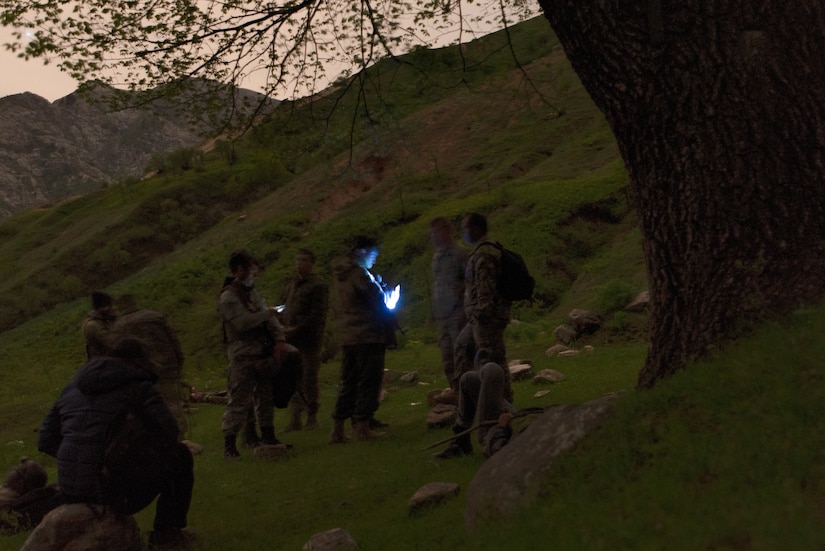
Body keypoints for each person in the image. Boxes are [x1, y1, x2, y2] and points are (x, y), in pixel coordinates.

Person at [37, 336, 194, 548]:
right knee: (180, 455)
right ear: (138, 360)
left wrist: (83, 459)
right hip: (113, 491)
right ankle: (167, 535)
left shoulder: (71, 389)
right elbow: (169, 432)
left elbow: (45, 440)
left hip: (69, 489)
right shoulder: (140, 388)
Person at [218, 250, 295, 458]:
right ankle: (230, 445)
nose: (255, 274)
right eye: (252, 269)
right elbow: (242, 323)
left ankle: (268, 435)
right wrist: (267, 313)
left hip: (262, 353)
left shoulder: (252, 293)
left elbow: (270, 321)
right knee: (239, 400)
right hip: (242, 355)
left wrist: (279, 339)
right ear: (240, 270)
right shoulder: (228, 297)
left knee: (265, 396)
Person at [329, 236, 396, 443]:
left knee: (348, 382)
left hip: (348, 337)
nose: (374, 259)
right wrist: (388, 294)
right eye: (373, 254)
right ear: (360, 252)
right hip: (367, 335)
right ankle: (362, 427)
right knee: (369, 381)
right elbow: (379, 302)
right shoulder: (361, 275)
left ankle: (337, 430)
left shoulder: (341, 276)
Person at [454, 212, 513, 402]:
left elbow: (485, 292)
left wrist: (478, 315)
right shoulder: (483, 251)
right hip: (480, 318)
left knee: (492, 360)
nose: (463, 232)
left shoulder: (484, 255)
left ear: (476, 229)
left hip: (487, 319)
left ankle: (503, 403)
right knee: (463, 347)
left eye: (465, 228)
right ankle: (471, 397)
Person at [111, 294, 189, 438]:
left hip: (140, 371)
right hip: (166, 365)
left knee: (149, 407)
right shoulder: (155, 316)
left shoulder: (119, 326)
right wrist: (178, 361)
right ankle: (179, 439)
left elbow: (118, 352)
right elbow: (173, 340)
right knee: (174, 404)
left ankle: (160, 440)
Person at [433, 349, 515, 459]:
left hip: (501, 434)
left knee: (492, 370)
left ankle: (485, 439)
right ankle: (461, 442)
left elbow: (500, 451)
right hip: (525, 417)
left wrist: (501, 427)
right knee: (468, 379)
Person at [280, 249, 329, 431]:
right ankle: (295, 418)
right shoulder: (290, 284)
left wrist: (298, 328)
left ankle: (312, 415)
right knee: (293, 378)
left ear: (311, 263)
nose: (300, 263)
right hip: (290, 339)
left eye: (304, 260)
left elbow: (318, 314)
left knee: (309, 377)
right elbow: (283, 307)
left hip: (309, 339)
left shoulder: (317, 285)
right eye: (297, 259)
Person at [429, 216, 468, 396]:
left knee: (461, 355)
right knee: (447, 358)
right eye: (432, 234)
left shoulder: (460, 254)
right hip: (442, 314)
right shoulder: (437, 257)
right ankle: (455, 392)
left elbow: (469, 281)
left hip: (458, 313)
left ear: (447, 232)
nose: (434, 237)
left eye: (437, 232)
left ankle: (467, 392)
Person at [81, 291, 117, 359]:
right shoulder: (93, 325)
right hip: (103, 362)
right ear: (103, 307)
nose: (113, 308)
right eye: (110, 305)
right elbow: (113, 343)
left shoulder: (104, 319)